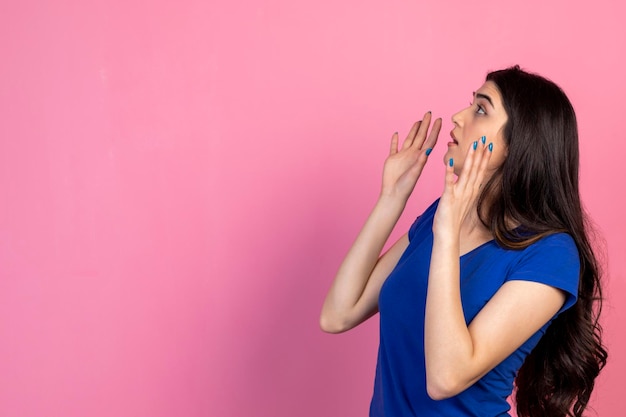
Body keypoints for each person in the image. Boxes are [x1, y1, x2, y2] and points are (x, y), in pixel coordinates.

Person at [320, 66, 607, 417]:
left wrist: (448, 233)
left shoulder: (550, 255)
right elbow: (338, 314)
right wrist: (392, 198)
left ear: (519, 144)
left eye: (481, 109)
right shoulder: (439, 218)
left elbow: (444, 378)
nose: (458, 116)